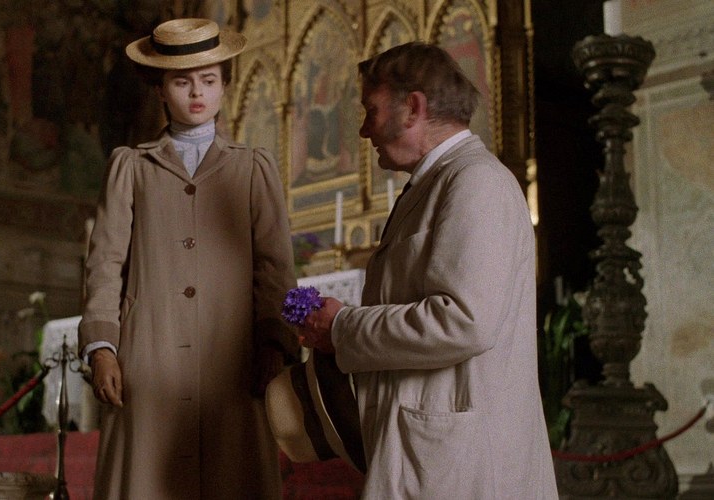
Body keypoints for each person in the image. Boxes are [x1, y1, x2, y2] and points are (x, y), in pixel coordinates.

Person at [299, 42, 558, 499]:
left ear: (414, 107)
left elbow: (463, 322)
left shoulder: (475, 180)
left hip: (465, 464)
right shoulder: (436, 182)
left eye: (372, 111)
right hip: (437, 456)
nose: (364, 130)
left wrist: (343, 326)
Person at [78, 18, 299, 499]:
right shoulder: (131, 167)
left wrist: (274, 342)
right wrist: (102, 348)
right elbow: (105, 265)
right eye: (181, 82)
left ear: (224, 85)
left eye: (209, 80)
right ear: (160, 89)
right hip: (148, 355)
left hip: (233, 357)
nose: (197, 93)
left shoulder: (253, 167)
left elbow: (275, 268)